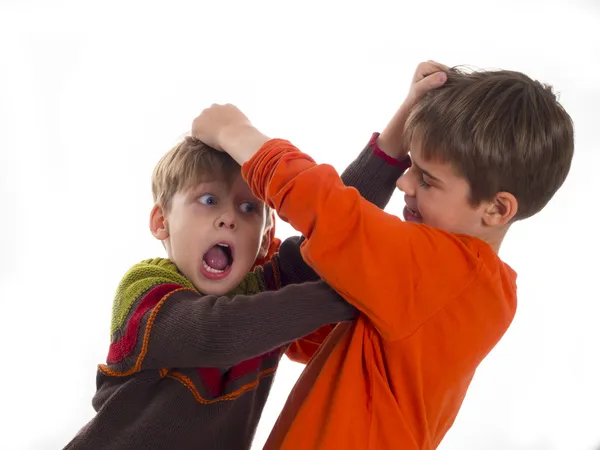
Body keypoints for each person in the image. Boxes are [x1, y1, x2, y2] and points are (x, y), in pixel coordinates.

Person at [190, 61, 574, 449]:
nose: (405, 181)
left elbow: (333, 212)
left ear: (495, 209)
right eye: (410, 167)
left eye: (427, 179)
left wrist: (233, 132)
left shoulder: (446, 275)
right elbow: (308, 333)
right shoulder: (449, 289)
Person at [64, 105, 420, 449]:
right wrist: (351, 293)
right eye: (208, 200)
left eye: (248, 207)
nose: (228, 218)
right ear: (162, 222)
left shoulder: (263, 289)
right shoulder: (145, 290)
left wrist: (394, 139)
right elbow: (216, 332)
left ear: (264, 238)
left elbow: (334, 230)